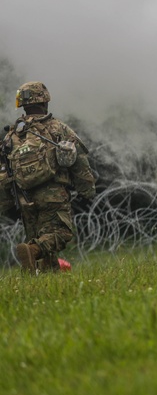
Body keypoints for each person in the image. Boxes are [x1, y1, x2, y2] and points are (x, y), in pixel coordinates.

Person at [0, 81, 97, 273]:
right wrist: (87, 189)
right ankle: (33, 251)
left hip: (24, 195)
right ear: (45, 102)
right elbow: (79, 160)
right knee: (59, 232)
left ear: (23, 104)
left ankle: (44, 275)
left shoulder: (12, 135)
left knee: (37, 235)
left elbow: (5, 169)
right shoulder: (57, 128)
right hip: (53, 193)